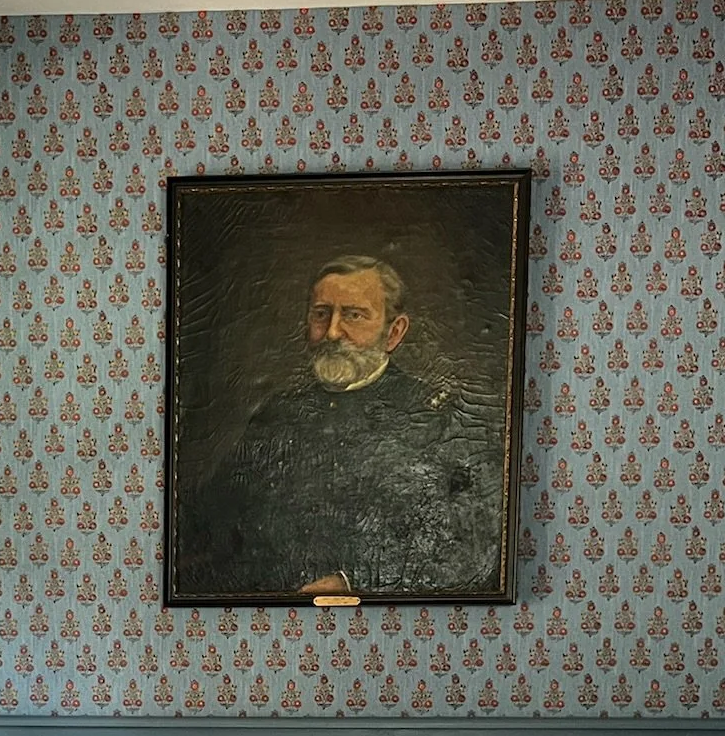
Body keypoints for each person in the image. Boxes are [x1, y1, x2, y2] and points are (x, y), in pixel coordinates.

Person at [192, 254, 508, 600]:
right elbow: (208, 532)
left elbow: (480, 552)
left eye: (353, 315)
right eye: (321, 314)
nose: (331, 332)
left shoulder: (443, 418)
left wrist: (358, 584)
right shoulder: (275, 416)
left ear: (394, 331)